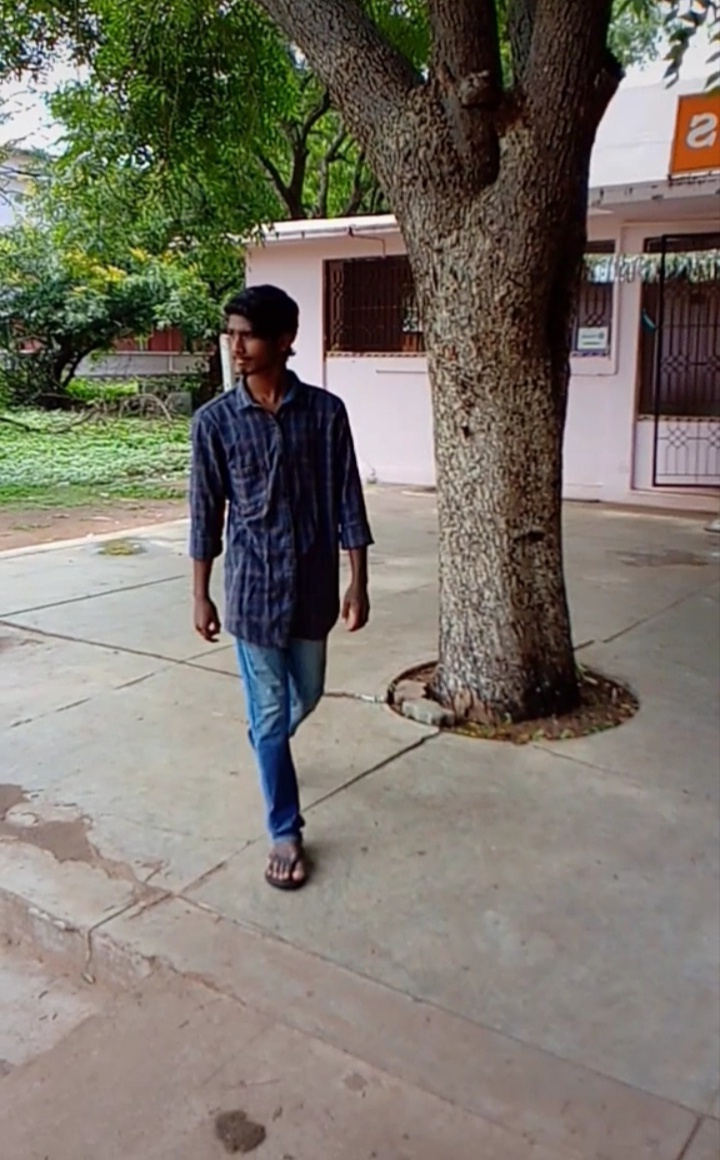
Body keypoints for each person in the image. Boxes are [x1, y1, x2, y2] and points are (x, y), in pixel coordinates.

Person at [189, 285, 373, 891]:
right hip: (252, 593)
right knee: (269, 711)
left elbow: (348, 499)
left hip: (313, 587)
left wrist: (358, 581)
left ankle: (267, 740)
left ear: (285, 340)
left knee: (308, 694)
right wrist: (200, 592)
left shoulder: (325, 414)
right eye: (231, 334)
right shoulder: (214, 422)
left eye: (248, 335)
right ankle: (285, 829)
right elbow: (204, 514)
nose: (236, 346)